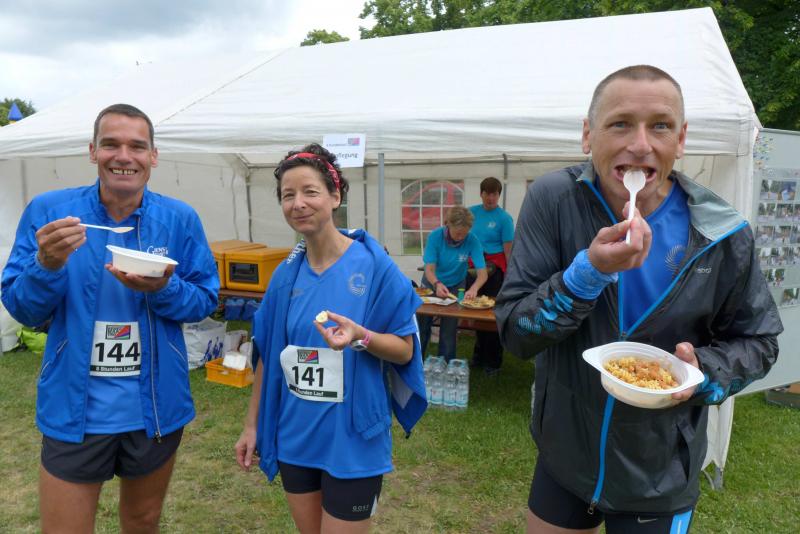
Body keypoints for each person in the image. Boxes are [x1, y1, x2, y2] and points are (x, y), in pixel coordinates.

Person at [495, 65, 782, 533]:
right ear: (588, 135)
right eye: (621, 123)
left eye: (660, 126)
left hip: (660, 472)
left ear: (681, 140)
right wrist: (587, 275)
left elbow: (760, 342)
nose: (641, 143)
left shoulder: (722, 233)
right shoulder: (553, 200)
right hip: (565, 454)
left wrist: (701, 373)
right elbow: (515, 333)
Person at [1, 103, 219, 532]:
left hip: (155, 406)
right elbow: (22, 308)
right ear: (92, 151)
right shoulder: (51, 213)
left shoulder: (178, 219)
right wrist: (46, 264)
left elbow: (204, 300)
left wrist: (163, 288)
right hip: (74, 408)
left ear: (153, 155)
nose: (124, 156)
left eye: (136, 146)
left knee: (142, 521)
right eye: (110, 144)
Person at [234, 144, 427, 533]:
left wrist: (362, 337)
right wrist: (252, 425)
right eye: (288, 195)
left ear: (335, 196)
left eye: (310, 191)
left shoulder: (375, 267)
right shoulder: (284, 276)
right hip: (296, 437)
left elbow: (405, 352)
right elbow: (268, 355)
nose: (298, 203)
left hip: (352, 442)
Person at [418, 206, 488, 361]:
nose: (461, 237)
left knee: (449, 330)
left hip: (456, 285)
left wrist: (474, 288)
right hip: (431, 283)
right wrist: (437, 284)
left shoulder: (472, 240)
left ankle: (446, 364)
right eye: (457, 233)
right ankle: (416, 363)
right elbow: (429, 269)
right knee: (422, 326)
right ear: (448, 224)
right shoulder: (435, 237)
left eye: (464, 233)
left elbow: (482, 274)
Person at [467, 177, 514, 374]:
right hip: (472, 267)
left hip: (495, 270)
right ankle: (478, 356)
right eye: (487, 193)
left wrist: (510, 275)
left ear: (498, 195)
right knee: (475, 311)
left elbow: (508, 250)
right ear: (481, 194)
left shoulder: (504, 219)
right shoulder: (471, 213)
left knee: (492, 315)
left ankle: (493, 361)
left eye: (494, 194)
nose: (490, 197)